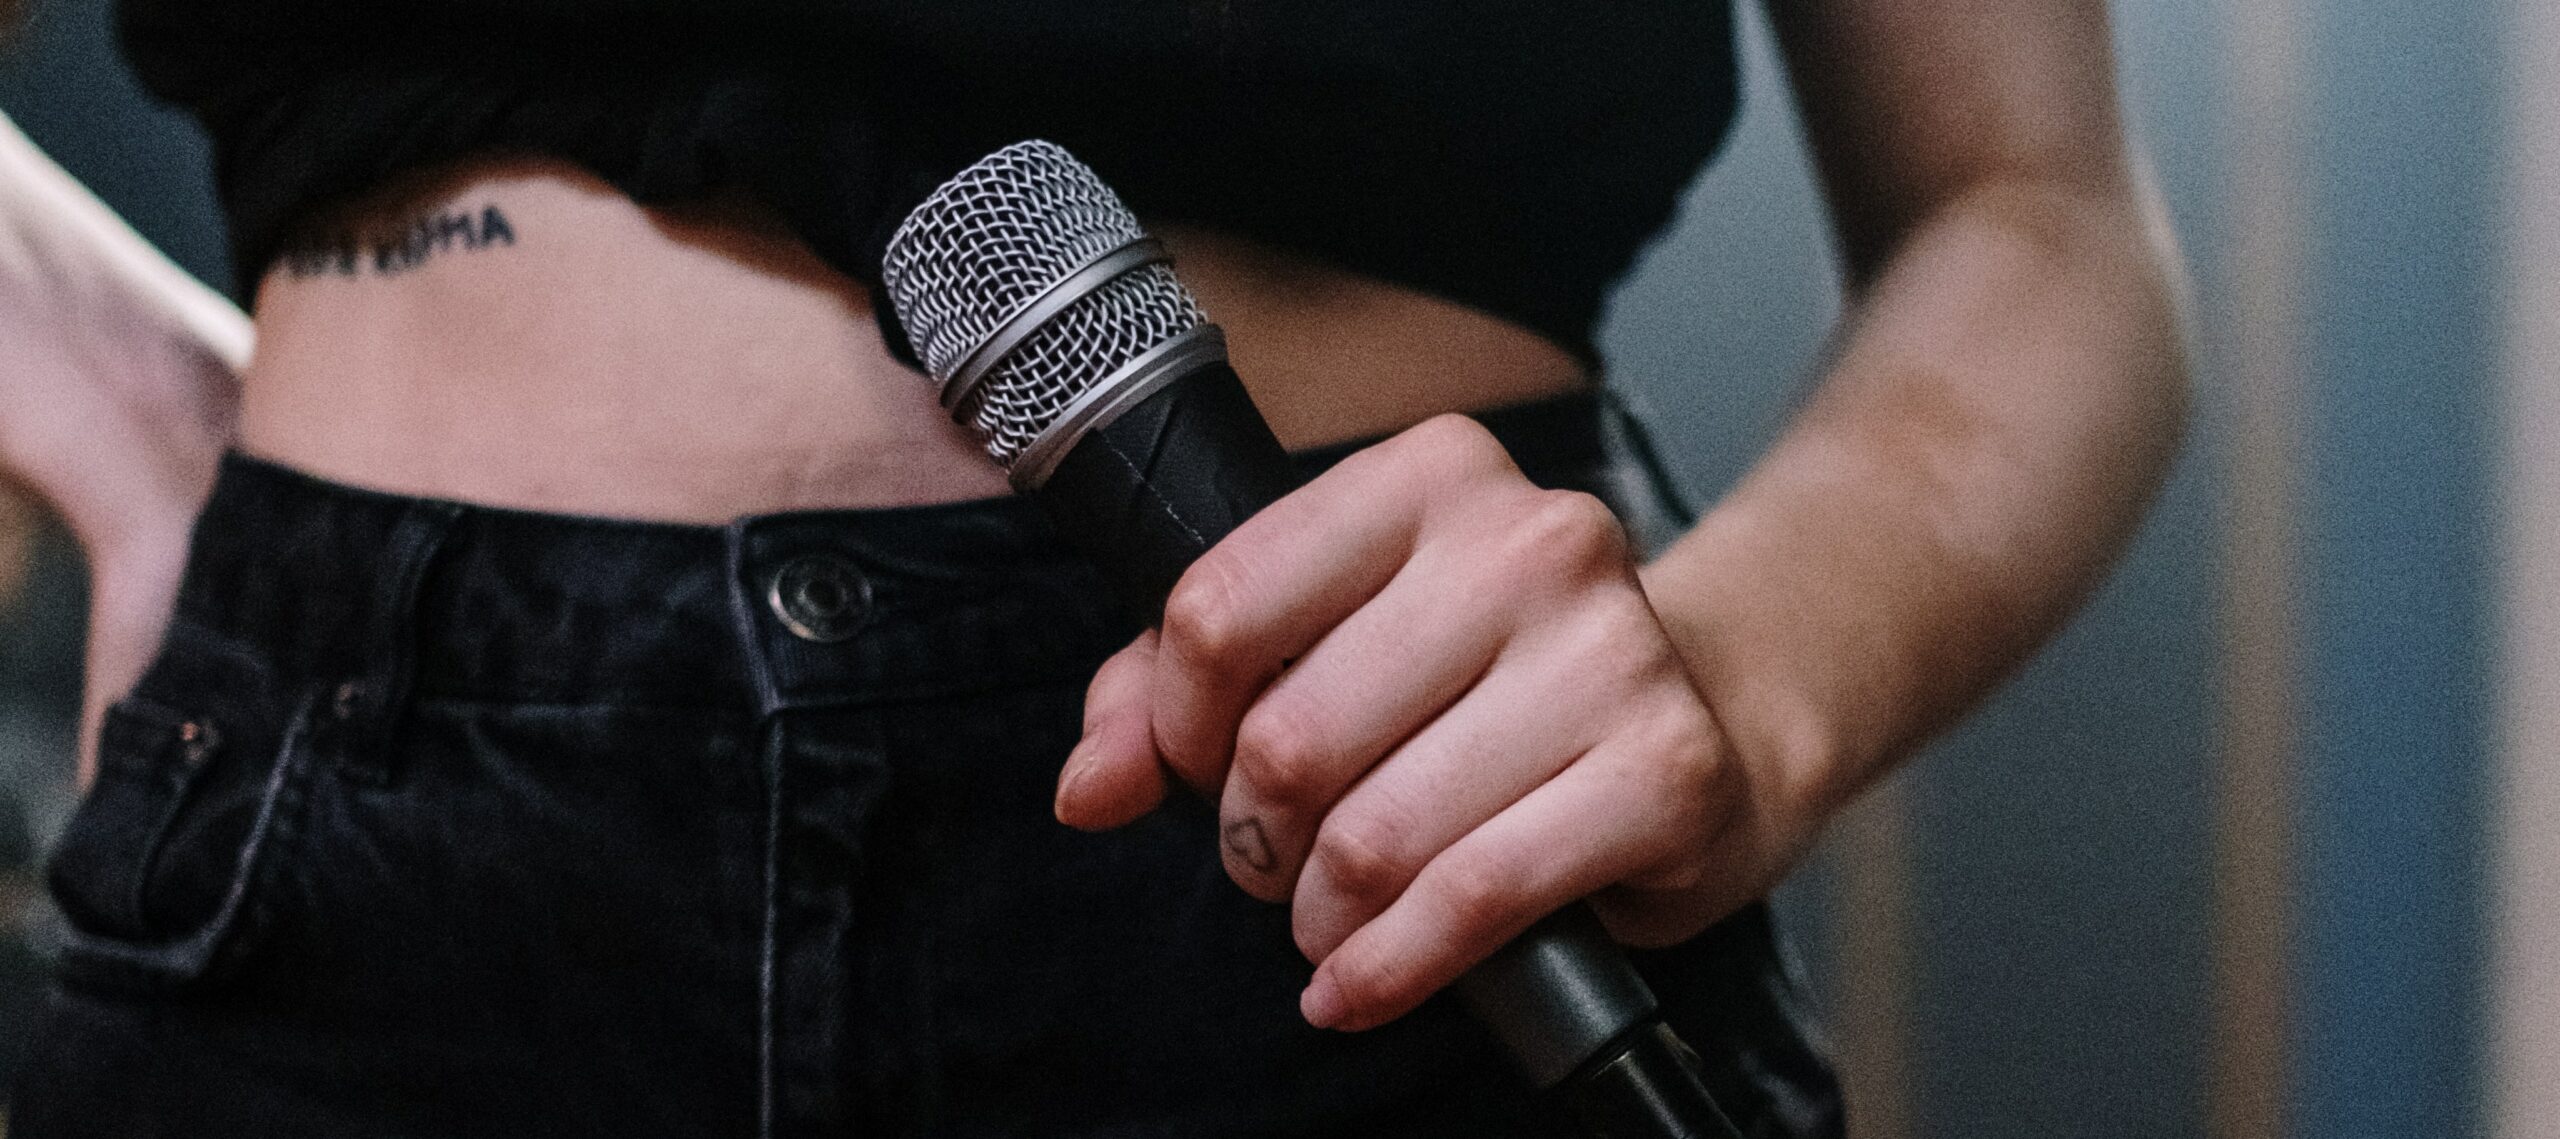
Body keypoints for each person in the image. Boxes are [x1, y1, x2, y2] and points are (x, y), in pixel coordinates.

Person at [0, 0, 2188, 1135]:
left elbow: (2038, 216)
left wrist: (1733, 675)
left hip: (1388, 847)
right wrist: (105, 392)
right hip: (368, 883)